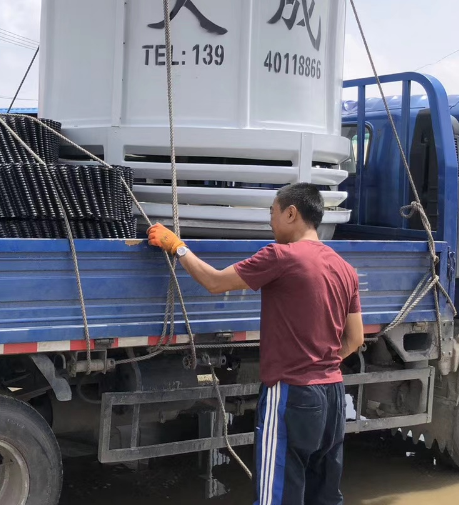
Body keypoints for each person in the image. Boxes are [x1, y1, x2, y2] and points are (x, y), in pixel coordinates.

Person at [148, 183, 363, 505]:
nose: (270, 221)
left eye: (273, 213)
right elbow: (355, 339)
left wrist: (177, 247)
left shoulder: (281, 256)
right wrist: (320, 363)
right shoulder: (345, 269)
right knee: (324, 495)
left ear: (291, 213)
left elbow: (215, 282)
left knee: (275, 495)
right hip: (333, 393)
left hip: (292, 393)